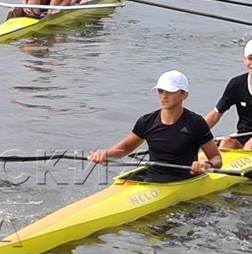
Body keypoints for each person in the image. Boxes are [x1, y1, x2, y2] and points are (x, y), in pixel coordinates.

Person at [90, 70, 222, 181]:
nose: (164, 96)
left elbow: (217, 159)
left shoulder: (196, 123)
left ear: (184, 95)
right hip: (153, 178)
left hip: (184, 178)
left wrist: (207, 164)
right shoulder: (146, 121)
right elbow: (125, 148)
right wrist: (105, 154)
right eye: (160, 91)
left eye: (170, 92)